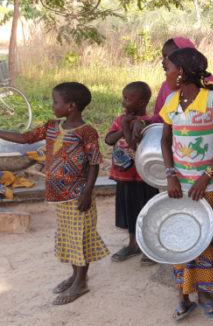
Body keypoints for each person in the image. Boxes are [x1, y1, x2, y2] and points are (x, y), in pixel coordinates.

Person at [0, 82, 108, 305]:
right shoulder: (52, 126)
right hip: (60, 195)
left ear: (71, 106)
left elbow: (95, 163)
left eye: (55, 101)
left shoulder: (86, 132)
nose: (52, 105)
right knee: (69, 238)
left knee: (81, 239)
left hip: (79, 195)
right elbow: (25, 138)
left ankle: (81, 283)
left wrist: (87, 192)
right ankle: (77, 275)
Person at [159, 47, 213, 321]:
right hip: (178, 187)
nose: (165, 74)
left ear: (180, 73)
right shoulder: (171, 102)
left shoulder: (212, 100)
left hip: (207, 187)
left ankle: (204, 293)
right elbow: (165, 140)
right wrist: (170, 174)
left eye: (167, 68)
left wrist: (207, 174)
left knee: (207, 240)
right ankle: (183, 295)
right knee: (179, 238)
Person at [105, 81, 159, 265]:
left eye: (128, 99)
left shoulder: (146, 124)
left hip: (143, 178)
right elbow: (108, 139)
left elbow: (135, 145)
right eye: (124, 98)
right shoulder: (120, 119)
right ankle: (132, 244)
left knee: (146, 211)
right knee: (129, 212)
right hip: (124, 176)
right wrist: (122, 128)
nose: (123, 102)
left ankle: (149, 247)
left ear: (142, 101)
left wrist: (129, 129)